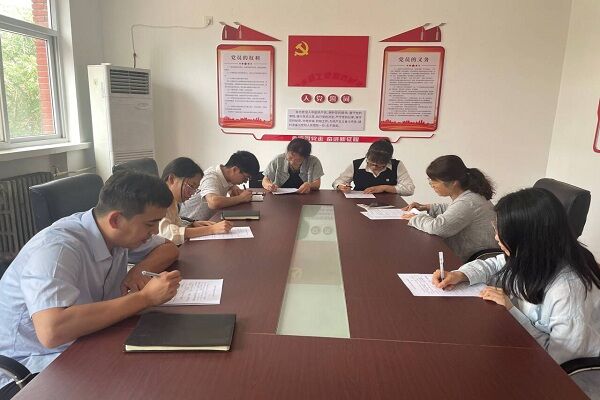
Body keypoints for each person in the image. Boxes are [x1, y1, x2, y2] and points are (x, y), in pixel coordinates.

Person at [0, 172, 181, 395]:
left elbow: (168, 248)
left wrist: (136, 272)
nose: (154, 232)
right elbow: (52, 331)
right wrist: (144, 298)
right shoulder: (58, 248)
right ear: (115, 220)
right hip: (29, 368)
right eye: (150, 224)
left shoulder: (116, 233)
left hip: (83, 342)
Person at [434, 188, 600, 365]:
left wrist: (512, 310)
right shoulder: (537, 255)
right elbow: (494, 264)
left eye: (502, 232)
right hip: (524, 347)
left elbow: (558, 359)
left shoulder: (568, 290)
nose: (496, 237)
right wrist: (461, 274)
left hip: (564, 375)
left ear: (527, 239)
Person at [401, 155, 496, 261]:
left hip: (476, 261)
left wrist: (415, 218)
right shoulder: (470, 196)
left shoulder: (468, 202)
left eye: (435, 181)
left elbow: (438, 228)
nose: (432, 185)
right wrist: (427, 207)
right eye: (430, 180)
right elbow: (454, 210)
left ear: (454, 182)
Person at [159, 157, 232, 245]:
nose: (192, 193)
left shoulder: (171, 200)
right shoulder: (157, 200)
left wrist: (192, 224)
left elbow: (175, 223)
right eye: (191, 186)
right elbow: (167, 234)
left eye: (195, 189)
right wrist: (211, 229)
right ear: (171, 179)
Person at [180, 150, 260, 220]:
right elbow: (213, 202)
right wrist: (240, 198)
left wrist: (234, 188)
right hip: (189, 224)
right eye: (246, 177)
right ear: (235, 169)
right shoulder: (211, 177)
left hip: (207, 221)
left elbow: (228, 185)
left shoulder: (226, 176)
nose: (245, 181)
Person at [332, 138, 415, 195]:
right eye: (371, 163)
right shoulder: (356, 164)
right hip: (359, 203)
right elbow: (338, 181)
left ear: (388, 161)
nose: (374, 167)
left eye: (379, 165)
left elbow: (409, 189)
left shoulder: (396, 165)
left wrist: (384, 188)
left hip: (389, 205)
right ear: (367, 156)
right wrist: (341, 186)